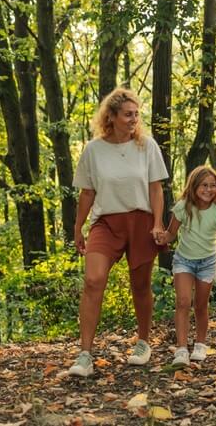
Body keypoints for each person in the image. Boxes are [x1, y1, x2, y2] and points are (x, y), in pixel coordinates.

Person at [69, 88, 168, 377]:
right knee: (93, 279)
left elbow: (155, 188)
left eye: (137, 114)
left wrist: (158, 223)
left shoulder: (147, 146)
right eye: (128, 114)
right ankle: (85, 354)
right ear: (110, 117)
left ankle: (143, 342)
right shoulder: (93, 150)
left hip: (141, 220)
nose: (134, 119)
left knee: (140, 285)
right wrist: (78, 228)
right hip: (106, 222)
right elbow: (87, 192)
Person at [161, 165, 216, 366]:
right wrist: (160, 237)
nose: (209, 189)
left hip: (207, 263)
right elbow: (171, 233)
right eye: (204, 185)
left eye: (213, 186)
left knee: (200, 305)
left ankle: (200, 344)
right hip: (184, 261)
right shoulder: (183, 207)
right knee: (183, 301)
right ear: (194, 185)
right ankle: (181, 349)